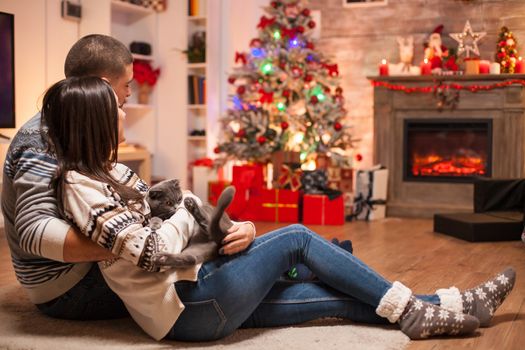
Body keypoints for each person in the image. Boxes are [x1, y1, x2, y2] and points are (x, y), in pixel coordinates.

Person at [39, 75, 515, 341]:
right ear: (94, 120)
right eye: (116, 106)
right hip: (187, 306)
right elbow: (150, 251)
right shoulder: (82, 186)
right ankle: (410, 306)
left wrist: (232, 225)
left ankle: (448, 304)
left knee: (335, 299)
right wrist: (185, 208)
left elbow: (181, 224)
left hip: (197, 297)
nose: (126, 109)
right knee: (297, 239)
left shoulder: (112, 173)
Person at [0, 34, 257, 321]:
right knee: (219, 276)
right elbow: (34, 232)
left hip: (89, 268)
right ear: (104, 87)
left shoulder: (75, 128)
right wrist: (134, 244)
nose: (130, 94)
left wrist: (226, 224)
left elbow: (136, 205)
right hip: (66, 287)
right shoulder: (41, 137)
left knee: (222, 256)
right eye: (127, 84)